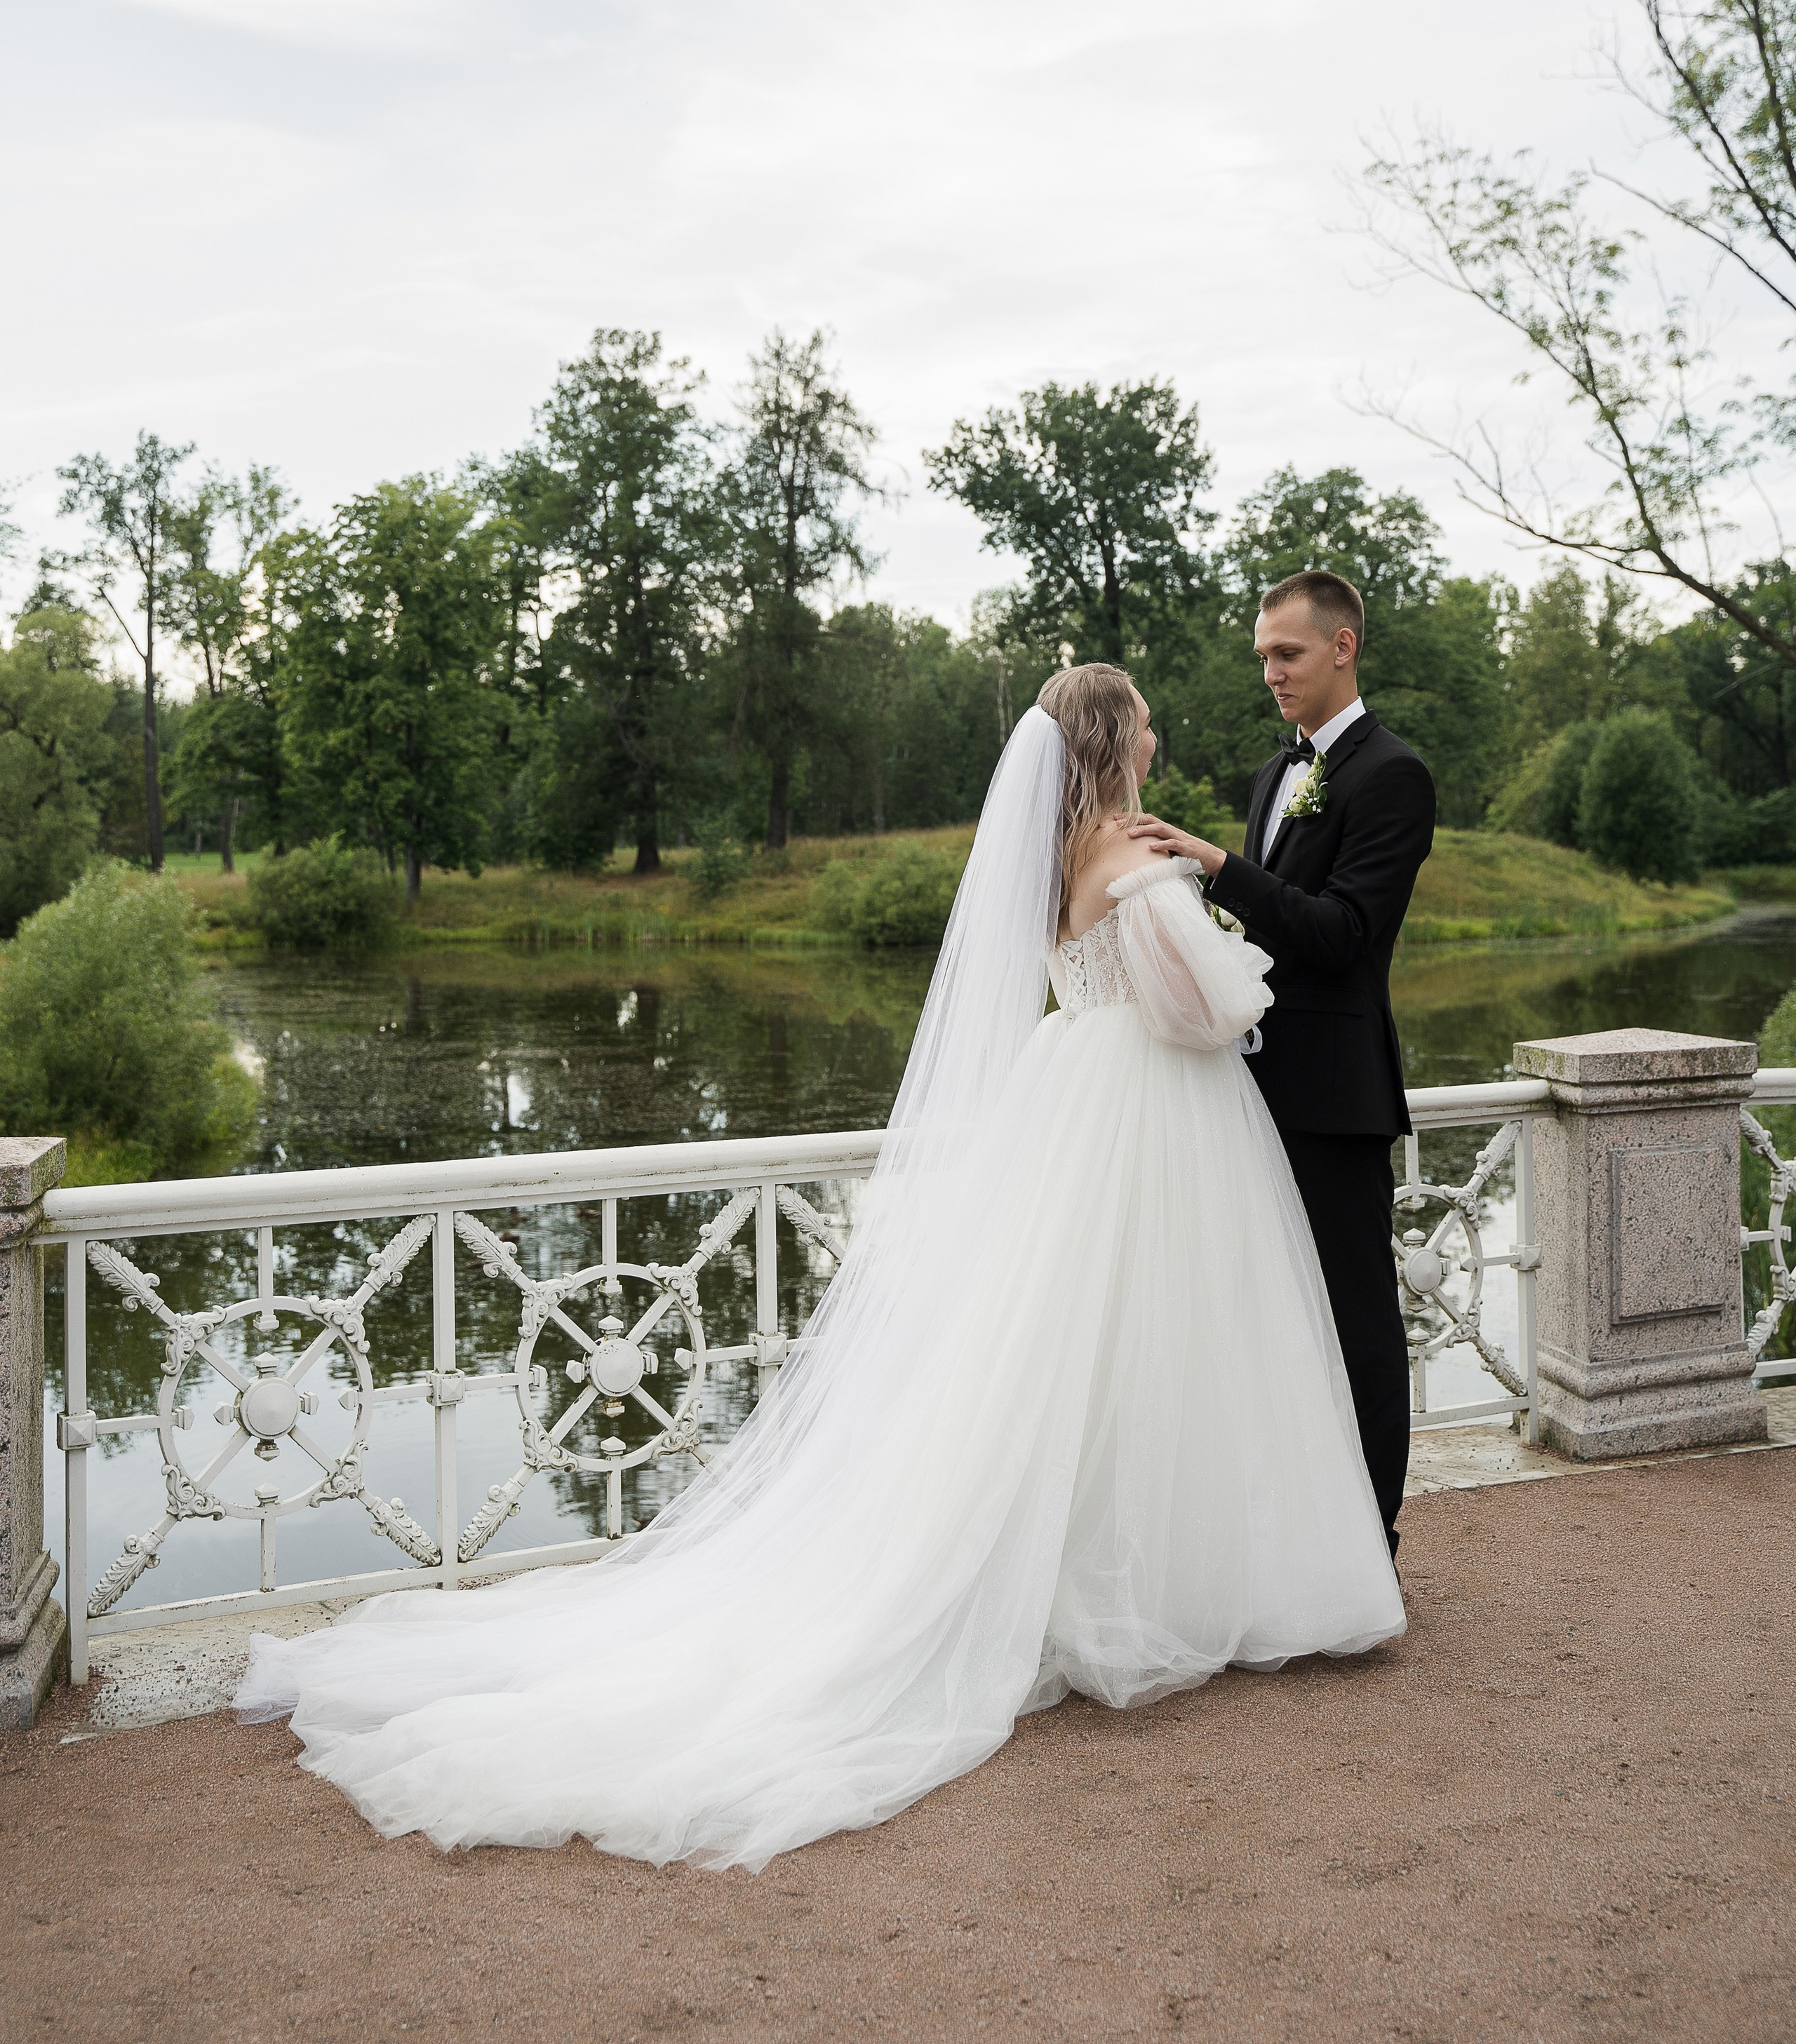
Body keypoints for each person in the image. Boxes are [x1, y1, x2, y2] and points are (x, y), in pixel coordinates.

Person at [236, 664, 1402, 1869]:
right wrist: (1226, 953)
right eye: (1147, 721)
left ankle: (1106, 1580)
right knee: (1154, 1345)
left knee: (1062, 1358)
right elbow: (1198, 1016)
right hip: (1147, 1113)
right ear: (1116, 741)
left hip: (1074, 1107)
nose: (1160, 735)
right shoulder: (1131, 857)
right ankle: (1151, 1587)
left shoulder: (1057, 862)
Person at [1130, 571, 1435, 1554]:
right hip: (1245, 1091)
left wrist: (1221, 866)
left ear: (1343, 647)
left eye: (1287, 653)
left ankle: (1371, 1545)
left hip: (1334, 1102)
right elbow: (1257, 935)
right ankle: (1290, 1544)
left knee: (1356, 1329)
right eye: (1264, 654)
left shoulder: (1393, 774)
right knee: (1263, 1324)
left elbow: (1344, 933)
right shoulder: (1275, 775)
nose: (1270, 671)